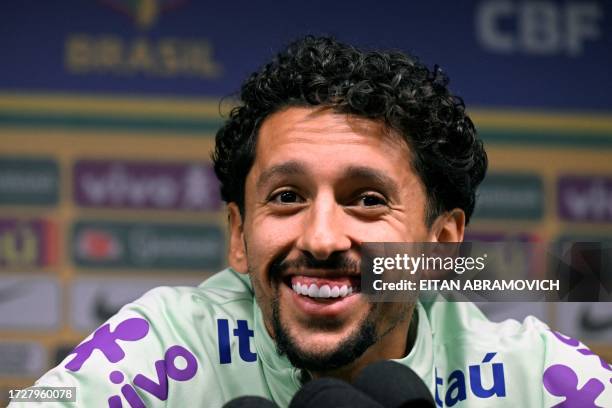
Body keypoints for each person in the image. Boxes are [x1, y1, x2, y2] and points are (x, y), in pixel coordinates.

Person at [11, 36, 611, 407]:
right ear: (240, 237)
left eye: (368, 201)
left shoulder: (533, 375)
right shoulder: (163, 342)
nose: (321, 238)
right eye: (287, 197)